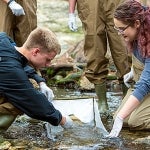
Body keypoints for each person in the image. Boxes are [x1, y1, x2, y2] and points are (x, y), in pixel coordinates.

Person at [0, 27, 73, 132]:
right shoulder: (11, 70)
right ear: (35, 51)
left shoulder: (4, 40)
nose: (48, 65)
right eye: (48, 60)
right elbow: (33, 101)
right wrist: (61, 120)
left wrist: (40, 81)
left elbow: (17, 61)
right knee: (20, 102)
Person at [68, 0, 130, 113]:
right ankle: (102, 102)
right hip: (89, 4)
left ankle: (128, 99)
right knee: (94, 51)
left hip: (116, 3)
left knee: (123, 49)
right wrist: (71, 13)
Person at [107, 0, 150, 138]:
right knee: (122, 119)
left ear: (136, 23)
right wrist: (133, 71)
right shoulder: (139, 33)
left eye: (122, 29)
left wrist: (121, 116)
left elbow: (145, 84)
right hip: (144, 84)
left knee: (136, 122)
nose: (119, 33)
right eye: (117, 29)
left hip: (147, 86)